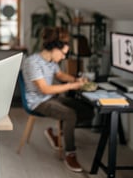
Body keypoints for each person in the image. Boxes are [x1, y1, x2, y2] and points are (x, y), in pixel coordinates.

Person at [21, 26, 94, 173]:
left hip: (50, 98)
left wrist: (77, 80)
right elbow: (45, 89)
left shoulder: (52, 62)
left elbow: (60, 76)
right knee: (70, 115)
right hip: (38, 102)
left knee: (88, 111)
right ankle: (70, 154)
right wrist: (71, 86)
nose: (64, 57)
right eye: (63, 54)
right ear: (54, 48)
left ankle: (55, 132)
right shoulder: (32, 62)